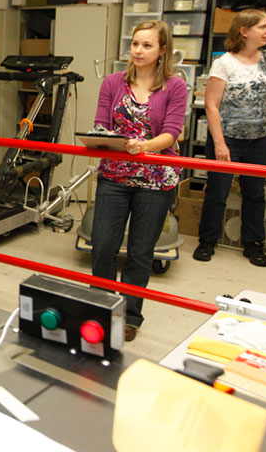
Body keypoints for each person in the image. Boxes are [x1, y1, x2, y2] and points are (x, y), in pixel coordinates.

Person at [89, 20, 187, 341]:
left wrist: (143, 147)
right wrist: (104, 141)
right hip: (114, 175)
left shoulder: (175, 86)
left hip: (157, 179)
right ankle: (102, 308)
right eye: (135, 44)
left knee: (140, 252)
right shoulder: (113, 82)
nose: (139, 51)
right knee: (103, 245)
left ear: (162, 50)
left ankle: (129, 316)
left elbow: (171, 133)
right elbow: (101, 125)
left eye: (147, 45)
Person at [193, 9, 266, 267]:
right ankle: (208, 240)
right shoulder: (224, 63)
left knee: (255, 193)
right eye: (263, 27)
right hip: (228, 137)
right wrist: (220, 144)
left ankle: (253, 244)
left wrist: (258, 92)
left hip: (259, 138)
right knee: (217, 191)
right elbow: (211, 105)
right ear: (244, 31)